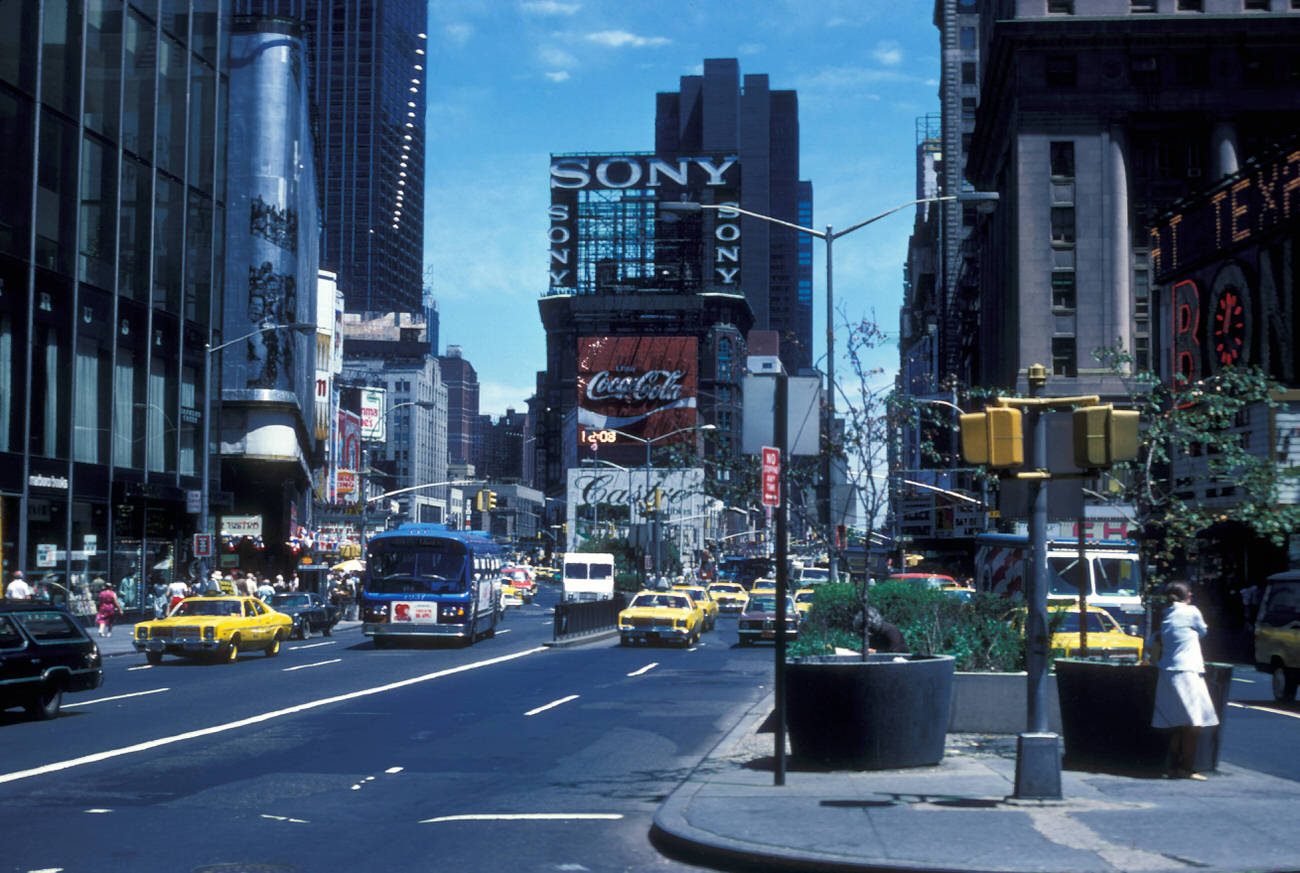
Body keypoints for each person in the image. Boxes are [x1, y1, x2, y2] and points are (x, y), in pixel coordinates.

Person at [1150, 580, 1218, 780]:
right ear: (1187, 596)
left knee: (1178, 722)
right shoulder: (1192, 611)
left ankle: (1173, 767)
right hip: (1187, 671)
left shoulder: (1164, 614)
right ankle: (1186, 769)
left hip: (1167, 672)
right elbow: (1203, 631)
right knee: (1194, 723)